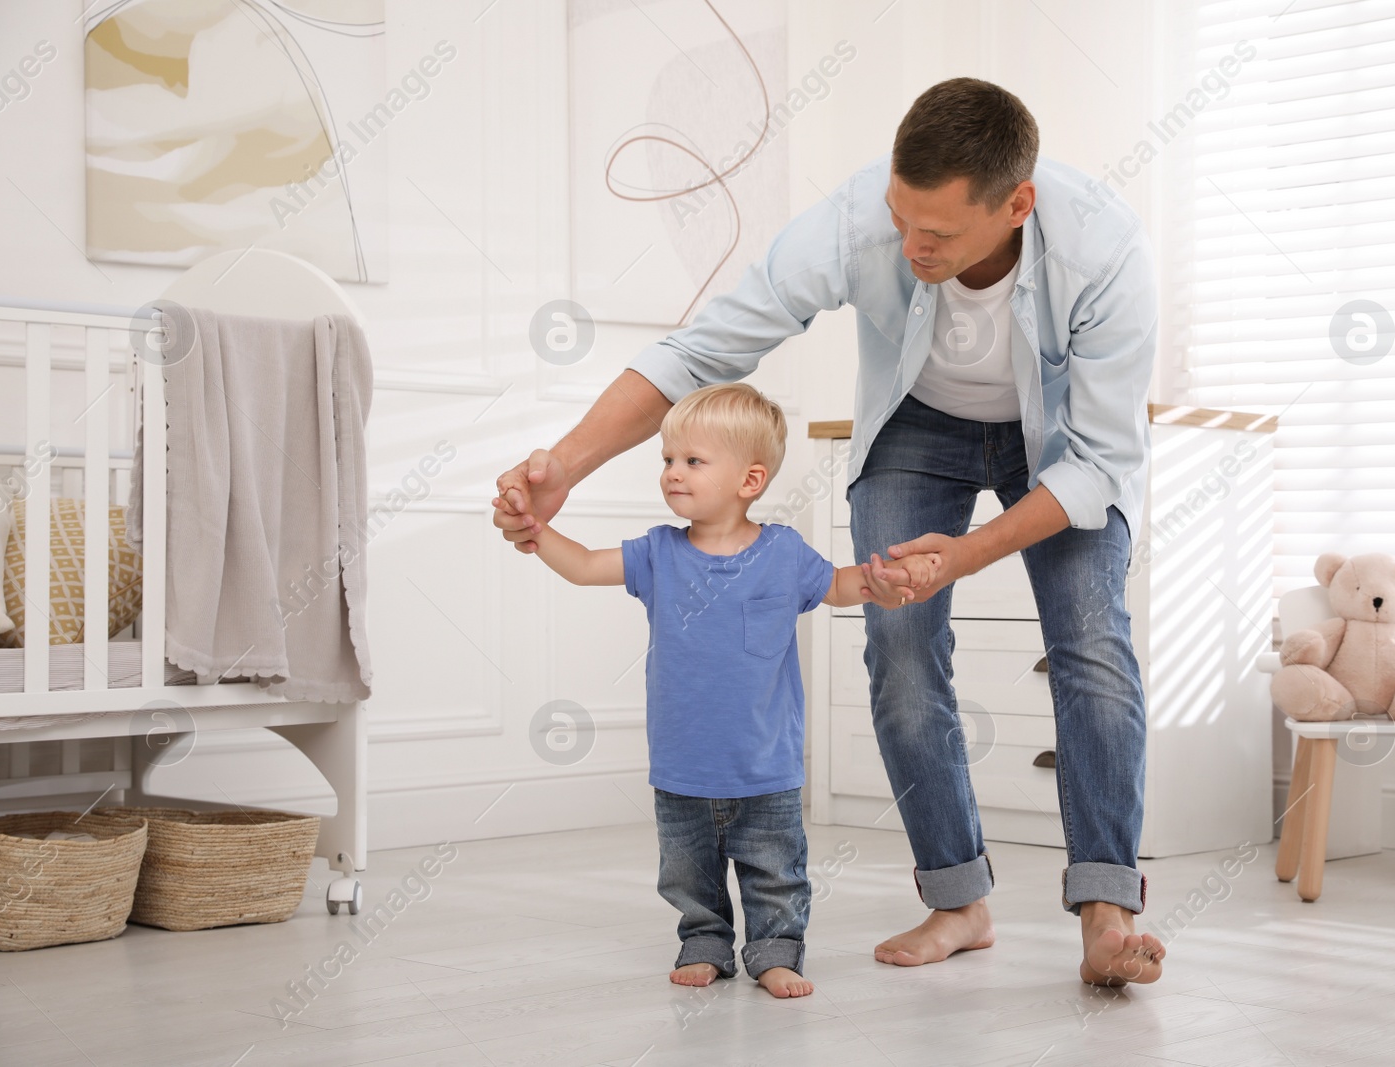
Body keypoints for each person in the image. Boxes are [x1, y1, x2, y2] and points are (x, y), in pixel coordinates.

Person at [494, 77, 1165, 986]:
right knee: (897, 638)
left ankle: (1107, 913)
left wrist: (966, 552)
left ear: (1018, 204)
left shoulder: (1107, 249)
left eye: (939, 233)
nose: (911, 244)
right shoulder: (859, 219)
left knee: (1090, 640)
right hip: (916, 423)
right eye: (902, 219)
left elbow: (1097, 461)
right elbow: (703, 350)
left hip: (1060, 447)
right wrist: (565, 465)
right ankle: (959, 900)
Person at [518, 382, 935, 999]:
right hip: (683, 764)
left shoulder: (784, 553)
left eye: (692, 461)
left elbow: (842, 586)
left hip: (765, 766)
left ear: (749, 480)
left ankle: (775, 949)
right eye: (667, 460)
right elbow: (581, 566)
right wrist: (532, 529)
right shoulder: (657, 553)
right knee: (689, 874)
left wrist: (883, 582)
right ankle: (705, 942)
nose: (672, 474)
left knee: (775, 872)